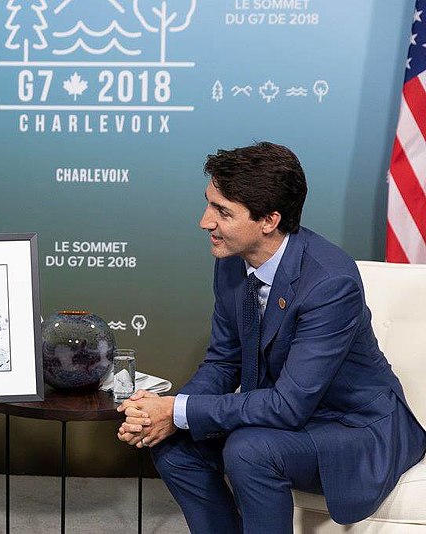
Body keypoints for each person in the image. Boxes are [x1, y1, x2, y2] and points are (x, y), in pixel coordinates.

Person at [117, 142, 426, 533]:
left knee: (249, 450)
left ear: (269, 220)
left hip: (354, 428)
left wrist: (178, 410)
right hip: (284, 418)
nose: (205, 222)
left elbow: (289, 405)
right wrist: (170, 415)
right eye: (209, 204)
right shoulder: (233, 261)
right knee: (174, 445)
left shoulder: (330, 283)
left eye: (222, 212)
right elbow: (223, 362)